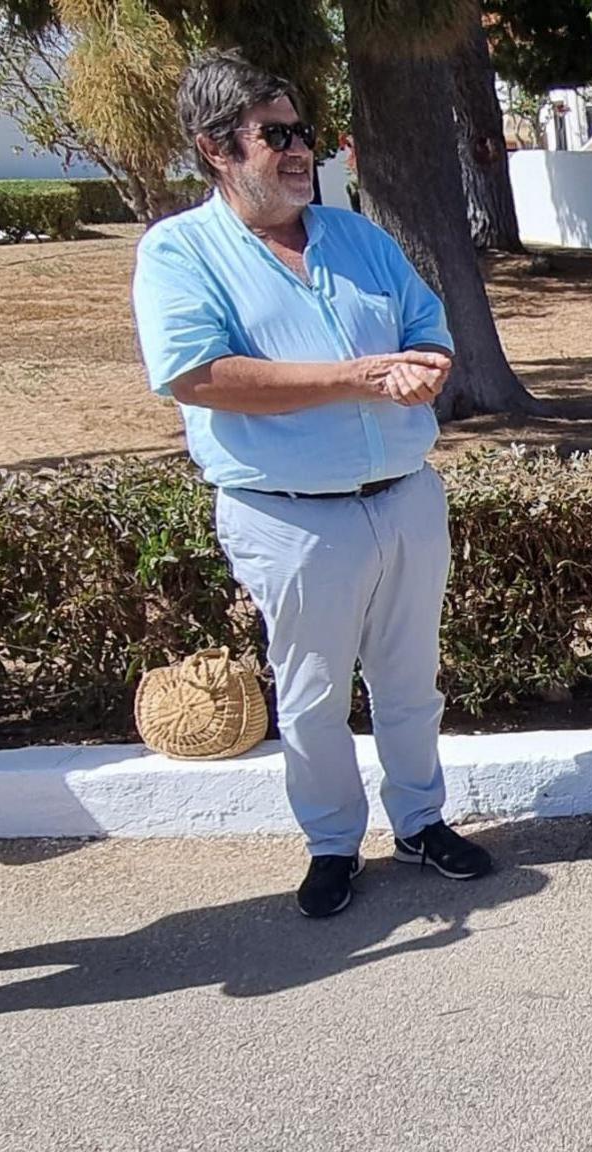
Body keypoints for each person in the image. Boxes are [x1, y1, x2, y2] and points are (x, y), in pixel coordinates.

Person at [132, 50, 492, 919]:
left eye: (305, 134)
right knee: (314, 694)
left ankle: (420, 822)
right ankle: (333, 844)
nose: (301, 152)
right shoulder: (180, 252)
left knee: (411, 680)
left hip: (405, 499)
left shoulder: (359, 238)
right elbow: (198, 376)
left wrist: (426, 370)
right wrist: (356, 377)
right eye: (277, 136)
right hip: (289, 519)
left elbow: (428, 332)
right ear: (217, 148)